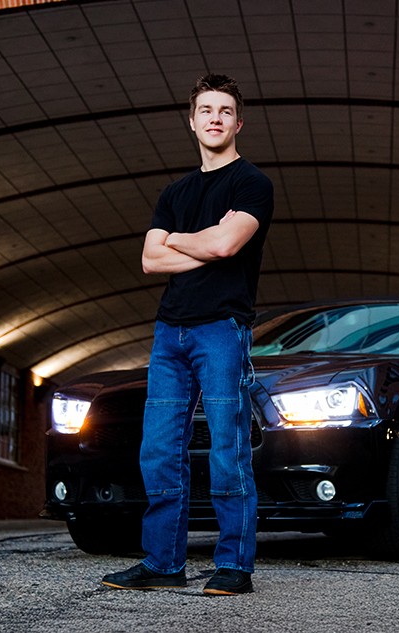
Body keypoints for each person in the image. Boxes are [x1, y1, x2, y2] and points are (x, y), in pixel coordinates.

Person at [101, 74, 273, 595]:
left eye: (225, 110)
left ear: (237, 122)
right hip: (169, 332)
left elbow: (226, 246)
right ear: (192, 120)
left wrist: (181, 241)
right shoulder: (175, 192)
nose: (215, 118)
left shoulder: (252, 184)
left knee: (227, 449)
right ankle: (162, 561)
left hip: (223, 327)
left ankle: (234, 565)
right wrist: (195, 239)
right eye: (206, 110)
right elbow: (151, 259)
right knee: (159, 450)